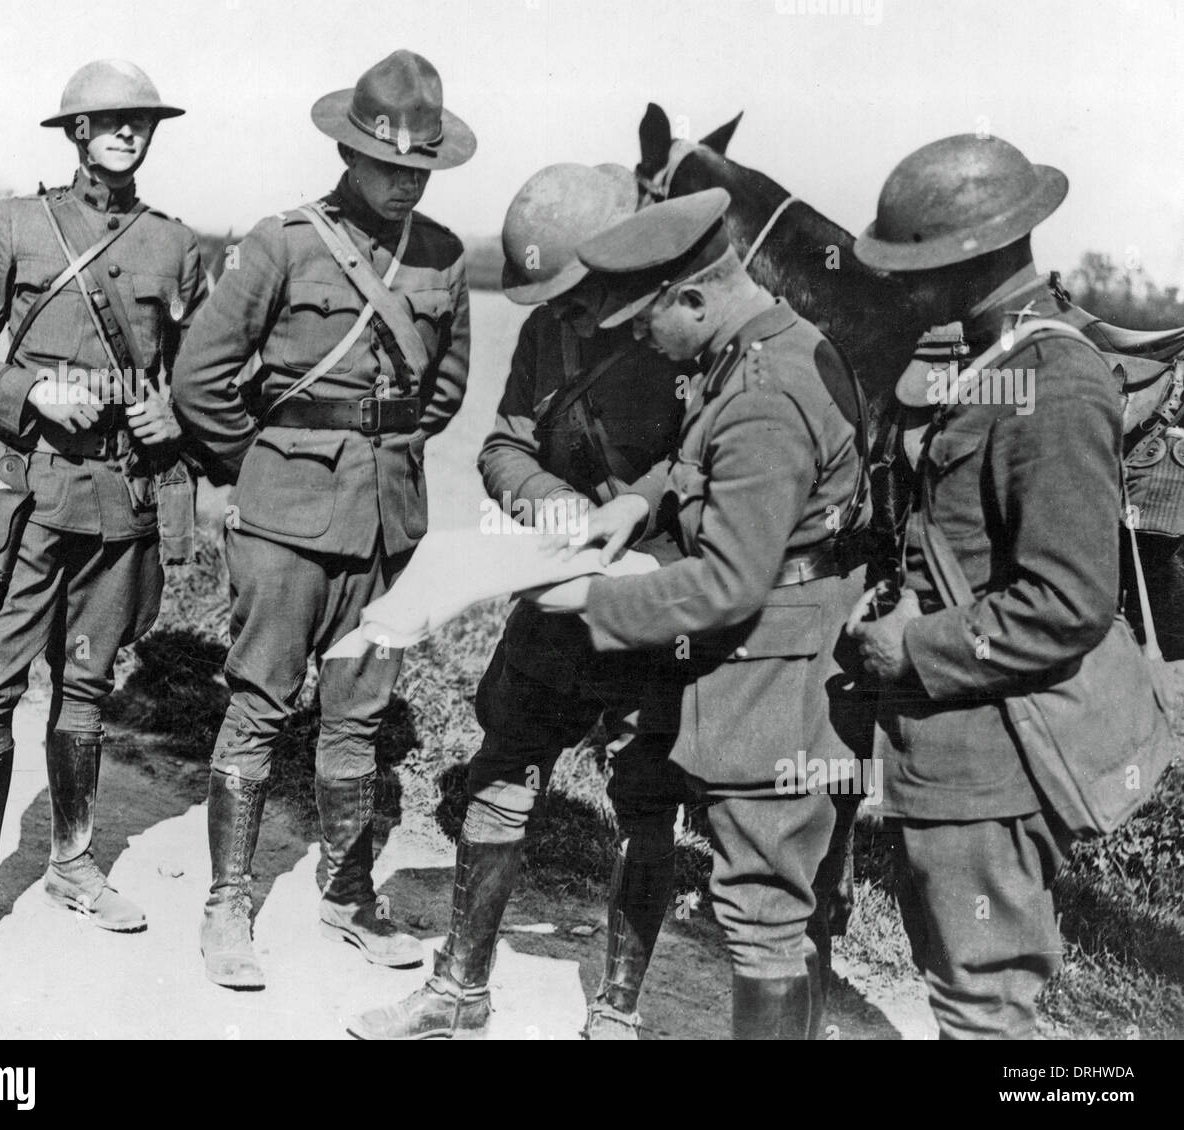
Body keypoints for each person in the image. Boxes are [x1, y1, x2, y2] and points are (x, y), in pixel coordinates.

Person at [504, 188, 868, 1039]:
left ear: (696, 298)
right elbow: (707, 465)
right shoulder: (763, 346)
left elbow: (727, 585)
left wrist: (590, 599)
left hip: (773, 667)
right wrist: (638, 500)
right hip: (786, 648)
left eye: (645, 321)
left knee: (762, 905)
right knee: (779, 897)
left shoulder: (761, 392)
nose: (636, 339)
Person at [350, 163, 689, 1040]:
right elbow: (503, 444)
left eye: (580, 292)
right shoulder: (548, 334)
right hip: (553, 585)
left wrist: (634, 508)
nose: (569, 312)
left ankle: (617, 1010)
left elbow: (714, 461)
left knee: (645, 799)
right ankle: (458, 991)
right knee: (502, 771)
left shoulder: (683, 334)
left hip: (654, 598)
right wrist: (550, 502)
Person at [171, 50, 473, 990]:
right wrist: (262, 465)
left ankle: (348, 898)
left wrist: (375, 452)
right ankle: (227, 905)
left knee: (358, 717)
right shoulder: (284, 242)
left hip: (387, 527)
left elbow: (444, 391)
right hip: (284, 523)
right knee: (259, 705)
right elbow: (200, 380)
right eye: (389, 167)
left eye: (419, 168)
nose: (404, 183)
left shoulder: (445, 256)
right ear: (350, 155)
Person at [0, 59, 206, 956]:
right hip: (24, 498)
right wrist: (29, 392)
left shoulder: (177, 245)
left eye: (141, 120)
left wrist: (180, 419)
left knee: (85, 687)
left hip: (117, 506)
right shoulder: (16, 225)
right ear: (76, 131)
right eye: (110, 120)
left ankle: (74, 863)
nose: (128, 132)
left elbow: (204, 380)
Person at [848, 134, 1122, 1039]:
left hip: (994, 763)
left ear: (978, 258)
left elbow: (1069, 602)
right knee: (959, 989)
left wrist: (911, 646)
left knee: (984, 1005)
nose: (906, 289)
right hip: (951, 753)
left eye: (920, 269)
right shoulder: (989, 359)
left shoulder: (1056, 380)